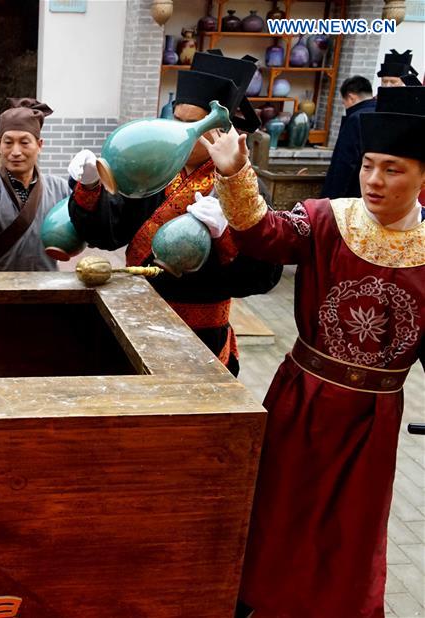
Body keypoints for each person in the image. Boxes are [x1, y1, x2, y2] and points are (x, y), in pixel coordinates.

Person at [200, 86, 424, 618]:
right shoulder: (329, 218)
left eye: (392, 169)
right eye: (369, 165)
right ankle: (252, 597)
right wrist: (235, 175)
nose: (373, 180)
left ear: (423, 178)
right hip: (301, 396)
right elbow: (267, 234)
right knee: (277, 508)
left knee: (351, 523)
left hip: (373, 415)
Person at [67, 51, 282, 376]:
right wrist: (91, 185)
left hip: (201, 338)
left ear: (221, 129)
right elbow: (107, 234)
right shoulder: (157, 173)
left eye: (190, 122)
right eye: (176, 120)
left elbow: (263, 277)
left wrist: (230, 232)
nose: (178, 130)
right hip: (137, 322)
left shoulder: (243, 189)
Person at [0, 97, 70, 271]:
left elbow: (87, 227)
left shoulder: (60, 189)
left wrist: (89, 185)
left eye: (24, 143)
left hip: (46, 291)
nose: (16, 152)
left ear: (40, 145)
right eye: (8, 142)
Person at [320, 75, 376, 198]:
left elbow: (346, 162)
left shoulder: (355, 119)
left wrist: (332, 199)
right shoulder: (381, 114)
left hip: (350, 194)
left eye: (343, 102)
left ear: (350, 97)